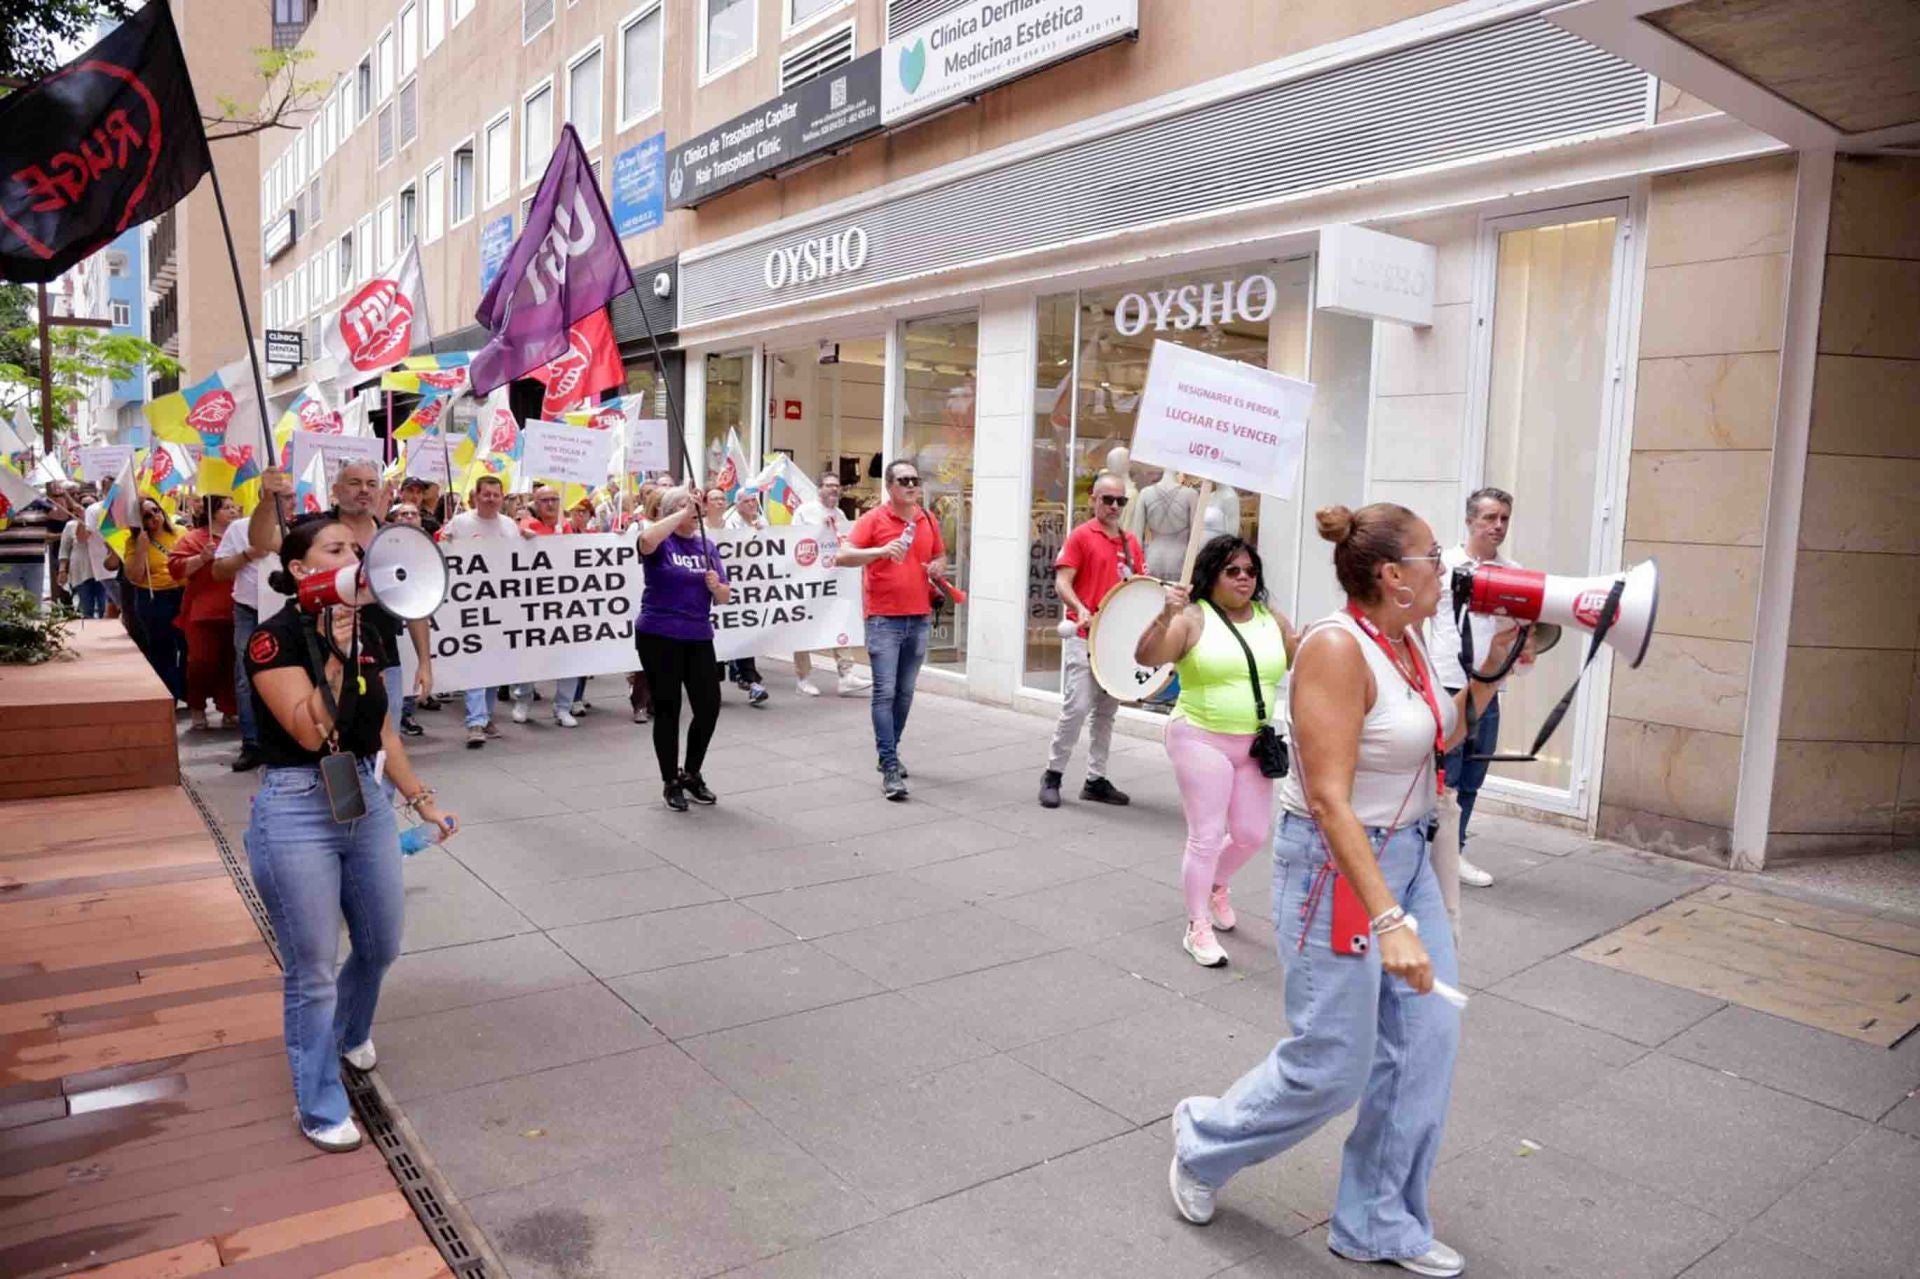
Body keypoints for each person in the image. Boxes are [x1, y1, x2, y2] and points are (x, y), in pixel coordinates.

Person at [1167, 504, 1514, 1279]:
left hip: (1408, 859)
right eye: (1431, 556)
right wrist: (1387, 917)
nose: (1445, 567)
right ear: (1393, 576)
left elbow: (1437, 734)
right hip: (1334, 868)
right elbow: (1328, 797)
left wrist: (1490, 672)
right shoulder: (1335, 647)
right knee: (1335, 1061)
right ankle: (1204, 1141)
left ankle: (1378, 1220)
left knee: (1425, 1044)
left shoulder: (1409, 640)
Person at [244, 517, 458, 1153]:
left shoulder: (371, 629)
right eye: (336, 550)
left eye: (357, 549)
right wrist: (333, 659)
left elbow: (383, 728)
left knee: (379, 943)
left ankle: (346, 1031)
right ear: (303, 570)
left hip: (361, 797)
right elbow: (311, 733)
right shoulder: (272, 639)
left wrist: (419, 800)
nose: (355, 558)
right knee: (312, 967)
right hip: (295, 806)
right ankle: (318, 1102)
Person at [1135, 535, 1296, 966]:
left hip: (1255, 741)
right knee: (1206, 835)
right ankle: (1197, 925)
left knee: (1251, 834)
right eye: (1233, 571)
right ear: (1213, 575)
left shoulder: (1271, 619)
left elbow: (1301, 657)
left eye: (1250, 570)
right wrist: (1164, 616)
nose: (1244, 578)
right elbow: (1146, 656)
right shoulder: (1192, 618)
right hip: (1199, 736)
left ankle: (1215, 884)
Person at [253, 460, 435, 737]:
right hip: (318, 654)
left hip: (382, 657)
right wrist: (268, 501)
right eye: (354, 483)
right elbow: (262, 539)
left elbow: (414, 602)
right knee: (324, 735)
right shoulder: (311, 528)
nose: (364, 490)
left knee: (384, 743)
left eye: (371, 484)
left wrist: (425, 662)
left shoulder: (395, 539)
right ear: (336, 489)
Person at [1425, 487, 1516, 889]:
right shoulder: (1444, 566)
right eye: (1490, 518)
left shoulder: (1514, 571)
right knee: (1445, 776)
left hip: (1489, 688)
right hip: (1447, 683)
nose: (1498, 526)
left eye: (1504, 519)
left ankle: (1453, 852)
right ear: (1470, 520)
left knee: (1474, 775)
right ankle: (1430, 852)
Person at [840, 459, 946, 801]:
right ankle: (888, 765)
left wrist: (936, 567)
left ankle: (891, 750)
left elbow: (941, 556)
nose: (912, 486)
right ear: (889, 486)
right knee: (884, 692)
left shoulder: (927, 518)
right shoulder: (873, 519)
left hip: (918, 616)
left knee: (905, 693)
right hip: (884, 619)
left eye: (915, 480)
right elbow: (843, 555)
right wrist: (881, 551)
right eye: (904, 480)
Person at [1041, 471, 1146, 809]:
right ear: (1094, 500)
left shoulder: (1131, 543)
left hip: (1116, 643)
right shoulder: (1081, 536)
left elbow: (1137, 589)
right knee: (1076, 707)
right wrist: (1080, 608)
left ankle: (1095, 779)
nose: (1114, 506)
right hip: (1084, 636)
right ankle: (1053, 774)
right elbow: (1062, 582)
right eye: (1108, 499)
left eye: (1120, 501)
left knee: (1105, 713)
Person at [633, 486, 731, 811]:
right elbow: (646, 541)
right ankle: (669, 780)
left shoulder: (707, 545)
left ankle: (691, 772)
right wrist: (678, 512)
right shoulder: (662, 541)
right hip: (659, 635)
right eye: (685, 507)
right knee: (668, 708)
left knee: (708, 705)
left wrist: (717, 588)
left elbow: (725, 595)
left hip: (698, 634)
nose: (694, 512)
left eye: (695, 507)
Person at [439, 475, 528, 746]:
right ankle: (475, 722)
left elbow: (522, 559)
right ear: (475, 496)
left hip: (501, 607)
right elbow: (444, 554)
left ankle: (486, 718)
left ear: (502, 498)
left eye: (495, 494)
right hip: (470, 606)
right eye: (486, 494)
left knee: (493, 664)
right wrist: (445, 541)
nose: (490, 499)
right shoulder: (461, 523)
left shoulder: (509, 526)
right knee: (474, 662)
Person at [792, 469, 871, 698]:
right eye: (829, 485)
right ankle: (803, 677)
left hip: (832, 579)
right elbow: (794, 542)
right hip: (809, 580)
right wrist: (819, 530)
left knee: (839, 621)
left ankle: (846, 674)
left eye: (837, 485)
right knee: (804, 627)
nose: (834, 489)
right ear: (819, 489)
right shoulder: (805, 512)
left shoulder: (840, 514)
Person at [215, 489, 276, 770]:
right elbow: (218, 571)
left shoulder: (303, 527)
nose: (284, 502)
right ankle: (252, 744)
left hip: (288, 613)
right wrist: (248, 554)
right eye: (276, 496)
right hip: (249, 612)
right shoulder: (239, 529)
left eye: (289, 496)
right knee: (245, 678)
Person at [506, 486, 578, 727]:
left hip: (563, 602)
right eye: (544, 500)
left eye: (554, 500)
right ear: (535, 504)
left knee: (568, 656)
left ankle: (563, 707)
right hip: (533, 604)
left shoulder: (565, 526)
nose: (550, 504)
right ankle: (523, 700)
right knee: (529, 655)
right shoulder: (525, 525)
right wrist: (520, 536)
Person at [169, 497, 242, 731]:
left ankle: (230, 708)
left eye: (234, 507)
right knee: (201, 663)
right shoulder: (194, 538)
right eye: (226, 508)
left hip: (236, 608)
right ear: (212, 513)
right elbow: (175, 569)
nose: (233, 511)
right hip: (203, 613)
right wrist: (202, 558)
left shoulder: (242, 536)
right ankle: (197, 707)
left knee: (234, 663)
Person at [123, 496, 188, 699]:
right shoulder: (133, 542)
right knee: (162, 649)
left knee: (187, 645)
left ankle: (185, 690)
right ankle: (168, 695)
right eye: (147, 515)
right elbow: (134, 576)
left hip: (182, 594)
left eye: (156, 511)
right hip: (153, 598)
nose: (154, 517)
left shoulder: (181, 532)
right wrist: (141, 549)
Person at [720, 490, 772, 707]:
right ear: (737, 504)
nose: (752, 505)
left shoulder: (762, 520)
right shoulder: (729, 523)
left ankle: (750, 681)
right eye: (747, 501)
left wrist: (761, 532)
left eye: (754, 501)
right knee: (721, 634)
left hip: (750, 588)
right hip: (726, 587)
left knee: (746, 631)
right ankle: (715, 683)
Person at [57, 485, 108, 618]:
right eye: (85, 505)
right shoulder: (71, 525)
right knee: (87, 608)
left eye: (91, 505)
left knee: (105, 607)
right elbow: (65, 549)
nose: (87, 508)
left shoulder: (104, 524)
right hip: (82, 571)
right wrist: (62, 570)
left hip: (102, 571)